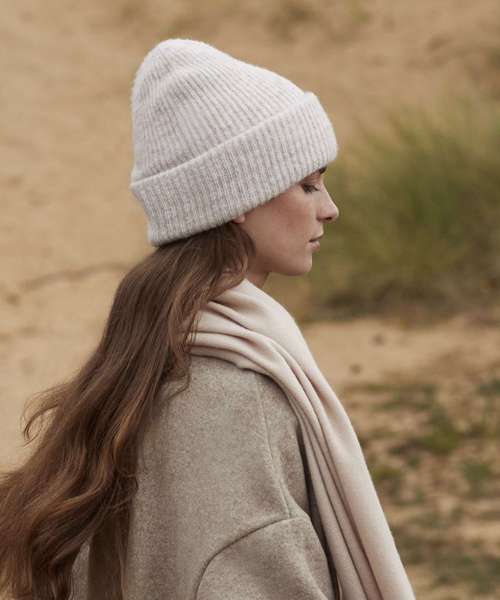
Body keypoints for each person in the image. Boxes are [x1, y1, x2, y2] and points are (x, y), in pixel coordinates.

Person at [0, 38, 415, 600]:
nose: (330, 208)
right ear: (239, 197)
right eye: (308, 184)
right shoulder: (236, 397)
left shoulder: (152, 357)